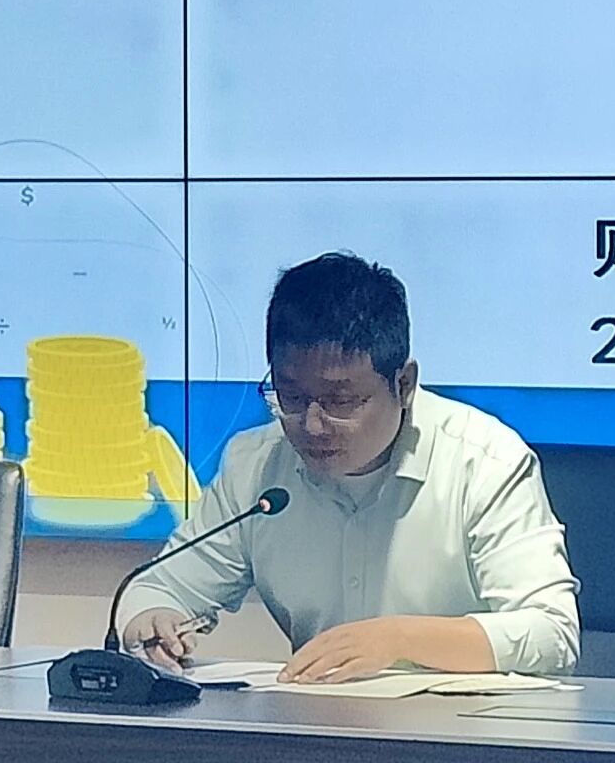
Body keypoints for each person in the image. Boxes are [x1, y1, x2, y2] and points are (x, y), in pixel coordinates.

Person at [117, 252, 579, 682]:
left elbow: (552, 632)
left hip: (464, 732)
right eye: (291, 397)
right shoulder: (256, 467)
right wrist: (152, 620)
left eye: (340, 401)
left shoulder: (483, 461)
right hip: (315, 728)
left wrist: (400, 639)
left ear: (404, 384)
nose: (312, 424)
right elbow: (158, 586)